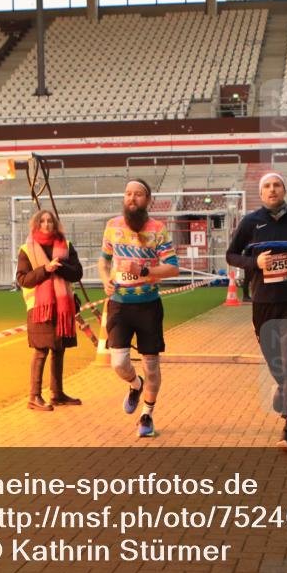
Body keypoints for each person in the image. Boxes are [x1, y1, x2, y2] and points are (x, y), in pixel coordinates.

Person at [226, 172, 287, 450]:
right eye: (267, 186)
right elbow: (231, 255)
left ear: (284, 190)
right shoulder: (250, 222)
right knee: (274, 361)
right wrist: (254, 262)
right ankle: (282, 386)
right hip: (262, 303)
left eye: (277, 185)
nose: (272, 190)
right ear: (261, 193)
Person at [97, 179, 180, 437]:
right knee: (118, 363)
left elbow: (173, 267)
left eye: (139, 194)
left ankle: (147, 414)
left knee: (152, 365)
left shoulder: (158, 229)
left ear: (148, 200)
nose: (132, 198)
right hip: (119, 305)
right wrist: (105, 280)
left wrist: (144, 270)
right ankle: (135, 384)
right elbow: (103, 260)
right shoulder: (112, 226)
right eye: (128, 194)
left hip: (148, 307)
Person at [16, 209, 84, 411]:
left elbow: (77, 273)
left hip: (62, 307)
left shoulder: (66, 246)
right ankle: (34, 396)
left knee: (59, 349)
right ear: (36, 224)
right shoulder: (26, 249)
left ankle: (57, 393)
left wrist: (59, 266)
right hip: (40, 307)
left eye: (50, 221)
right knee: (41, 350)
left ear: (55, 224)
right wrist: (46, 270)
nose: (46, 224)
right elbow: (23, 279)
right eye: (42, 221)